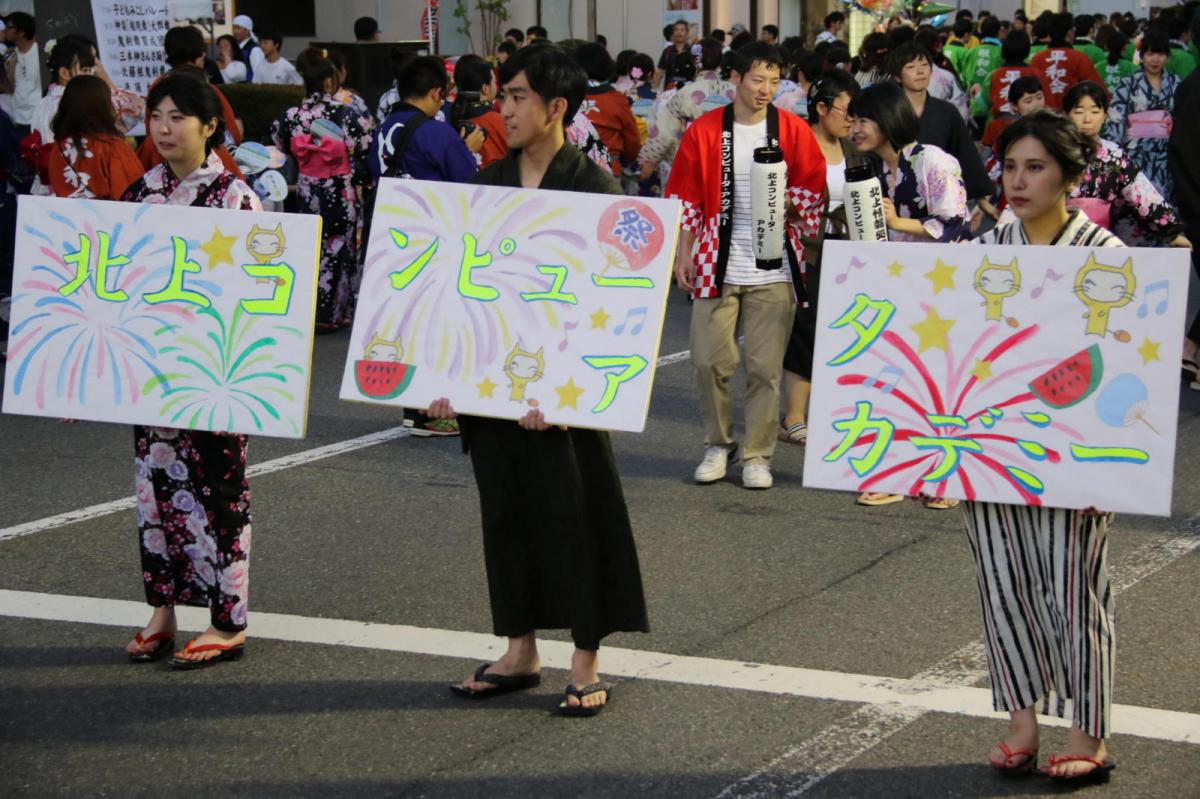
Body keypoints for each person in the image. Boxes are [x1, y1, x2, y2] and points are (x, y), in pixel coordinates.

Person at [427, 43, 649, 716]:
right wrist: (445, 376)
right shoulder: (488, 181)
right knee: (506, 513)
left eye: (519, 97)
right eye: (504, 96)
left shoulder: (593, 188)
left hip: (565, 399)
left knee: (575, 517)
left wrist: (563, 392)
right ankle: (519, 648)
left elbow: (617, 304)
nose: (505, 108)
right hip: (494, 393)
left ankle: (585, 659)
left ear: (556, 108)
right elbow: (458, 293)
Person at [969, 110, 1121, 784]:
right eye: (1009, 167)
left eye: (1035, 167)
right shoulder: (987, 249)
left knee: (1073, 591)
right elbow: (959, 354)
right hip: (992, 444)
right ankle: (1021, 723)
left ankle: (1090, 733)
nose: (1018, 181)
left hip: (1075, 453)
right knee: (1003, 582)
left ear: (1069, 174)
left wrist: (1112, 470)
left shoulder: (1109, 256)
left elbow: (1121, 373)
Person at [120, 73, 261, 669]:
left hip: (213, 371)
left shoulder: (235, 199)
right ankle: (163, 610)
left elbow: (261, 294)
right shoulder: (139, 194)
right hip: (153, 374)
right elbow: (113, 292)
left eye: (179, 116)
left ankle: (227, 620)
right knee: (155, 493)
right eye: (156, 115)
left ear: (210, 126)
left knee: (219, 489)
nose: (164, 127)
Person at [665, 42, 826, 490]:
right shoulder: (706, 129)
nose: (766, 90)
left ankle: (758, 453)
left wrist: (786, 202)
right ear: (735, 78)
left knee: (764, 368)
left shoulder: (791, 129)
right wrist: (684, 251)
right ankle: (719, 443)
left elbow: (813, 190)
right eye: (758, 79)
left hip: (773, 266)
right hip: (718, 258)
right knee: (707, 360)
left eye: (775, 82)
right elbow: (687, 196)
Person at [847, 79, 969, 509]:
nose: (855, 128)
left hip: (941, 289)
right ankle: (896, 472)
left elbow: (956, 224)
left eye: (863, 119)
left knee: (939, 382)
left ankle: (946, 475)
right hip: (895, 287)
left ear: (888, 119)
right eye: (852, 119)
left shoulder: (932, 161)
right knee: (897, 381)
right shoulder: (877, 170)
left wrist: (898, 223)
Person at [779, 69, 859, 447]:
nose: (851, 119)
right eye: (846, 111)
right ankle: (793, 415)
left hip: (847, 249)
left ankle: (831, 412)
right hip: (803, 247)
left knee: (843, 328)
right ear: (822, 108)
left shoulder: (854, 146)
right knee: (805, 329)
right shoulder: (798, 142)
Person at [271, 56, 374, 331]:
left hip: (307, 189)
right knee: (340, 248)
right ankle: (337, 313)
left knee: (311, 247)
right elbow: (364, 145)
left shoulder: (291, 116)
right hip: (340, 189)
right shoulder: (346, 114)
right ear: (330, 81)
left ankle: (310, 310)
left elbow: (279, 143)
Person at [1061, 81, 1187, 246]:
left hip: (1100, 239)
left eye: (1095, 111)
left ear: (1105, 115)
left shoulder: (1113, 153)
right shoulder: (1054, 151)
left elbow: (1141, 193)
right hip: (1056, 234)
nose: (1087, 119)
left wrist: (1171, 233)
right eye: (1079, 111)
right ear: (1067, 114)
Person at [888, 43, 996, 227]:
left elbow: (964, 153)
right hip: (897, 198)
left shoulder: (947, 111)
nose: (920, 72)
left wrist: (981, 199)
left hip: (941, 196)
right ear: (898, 76)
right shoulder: (888, 112)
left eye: (924, 65)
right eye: (911, 67)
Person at [137, 27, 245, 178]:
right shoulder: (206, 88)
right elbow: (230, 132)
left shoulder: (158, 86)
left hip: (159, 159)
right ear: (197, 54)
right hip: (204, 161)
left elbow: (150, 124)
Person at [372, 55, 480, 183]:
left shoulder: (382, 129)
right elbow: (469, 181)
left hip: (386, 202)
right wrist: (468, 150)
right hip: (426, 202)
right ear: (435, 93)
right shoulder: (437, 132)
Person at [46, 75, 143, 200]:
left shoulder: (58, 148)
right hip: (107, 217)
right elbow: (132, 193)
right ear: (104, 106)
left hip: (65, 217)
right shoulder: (113, 147)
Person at [1109, 30, 1180, 199]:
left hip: (1166, 153)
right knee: (1136, 201)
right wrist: (1115, 153)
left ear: (1168, 56)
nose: (1156, 59)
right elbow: (1115, 118)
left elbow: (1183, 118)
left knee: (1165, 203)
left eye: (1161, 54)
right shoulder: (1128, 83)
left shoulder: (1176, 82)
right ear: (1141, 56)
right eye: (1150, 54)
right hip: (1134, 152)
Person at [575, 43, 640, 178]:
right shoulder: (617, 99)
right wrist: (626, 160)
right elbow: (632, 140)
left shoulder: (566, 98)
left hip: (571, 170)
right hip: (608, 170)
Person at [30, 39, 95, 145]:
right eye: (85, 70)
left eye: (91, 70)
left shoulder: (45, 102)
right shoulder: (73, 103)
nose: (91, 75)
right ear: (64, 73)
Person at [1030, 12, 1102, 109]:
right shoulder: (1079, 58)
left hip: (1043, 117)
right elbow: (1097, 90)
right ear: (1069, 33)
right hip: (1073, 116)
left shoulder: (1037, 58)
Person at [450, 55, 507, 168]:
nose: (496, 86)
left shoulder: (447, 116)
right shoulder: (498, 121)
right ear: (485, 88)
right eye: (494, 82)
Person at [4, 11, 39, 135]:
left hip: (36, 116)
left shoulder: (39, 53)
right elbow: (9, 87)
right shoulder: (11, 56)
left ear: (21, 32)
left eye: (9, 27)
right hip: (18, 116)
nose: (5, 30)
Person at [231, 14, 265, 83]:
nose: (235, 31)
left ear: (247, 31)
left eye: (238, 28)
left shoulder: (254, 49)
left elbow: (258, 73)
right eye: (233, 28)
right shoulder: (236, 47)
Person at [658, 19, 691, 87]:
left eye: (682, 30)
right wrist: (654, 89)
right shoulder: (667, 51)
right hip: (669, 93)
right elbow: (659, 72)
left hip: (688, 92)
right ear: (673, 33)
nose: (679, 33)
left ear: (687, 33)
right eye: (676, 30)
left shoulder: (692, 52)